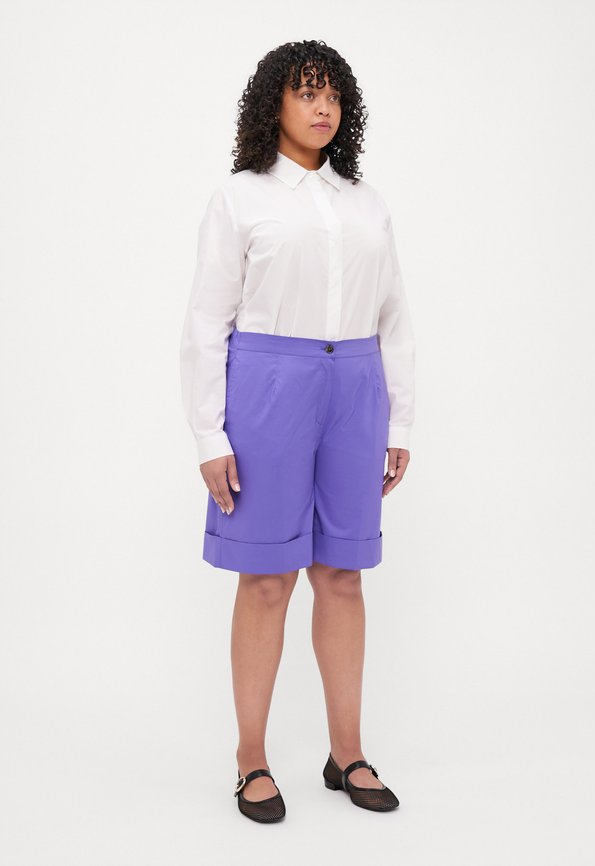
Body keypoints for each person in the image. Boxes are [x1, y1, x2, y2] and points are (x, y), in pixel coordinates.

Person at [180, 39, 415, 822]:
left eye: (333, 95)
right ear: (273, 104)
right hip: (268, 387)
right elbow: (206, 322)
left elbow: (394, 316)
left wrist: (400, 417)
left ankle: (347, 751)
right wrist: (210, 435)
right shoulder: (241, 197)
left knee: (342, 573)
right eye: (306, 93)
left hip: (356, 385)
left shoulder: (365, 202)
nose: (322, 108)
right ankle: (251, 758)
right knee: (267, 577)